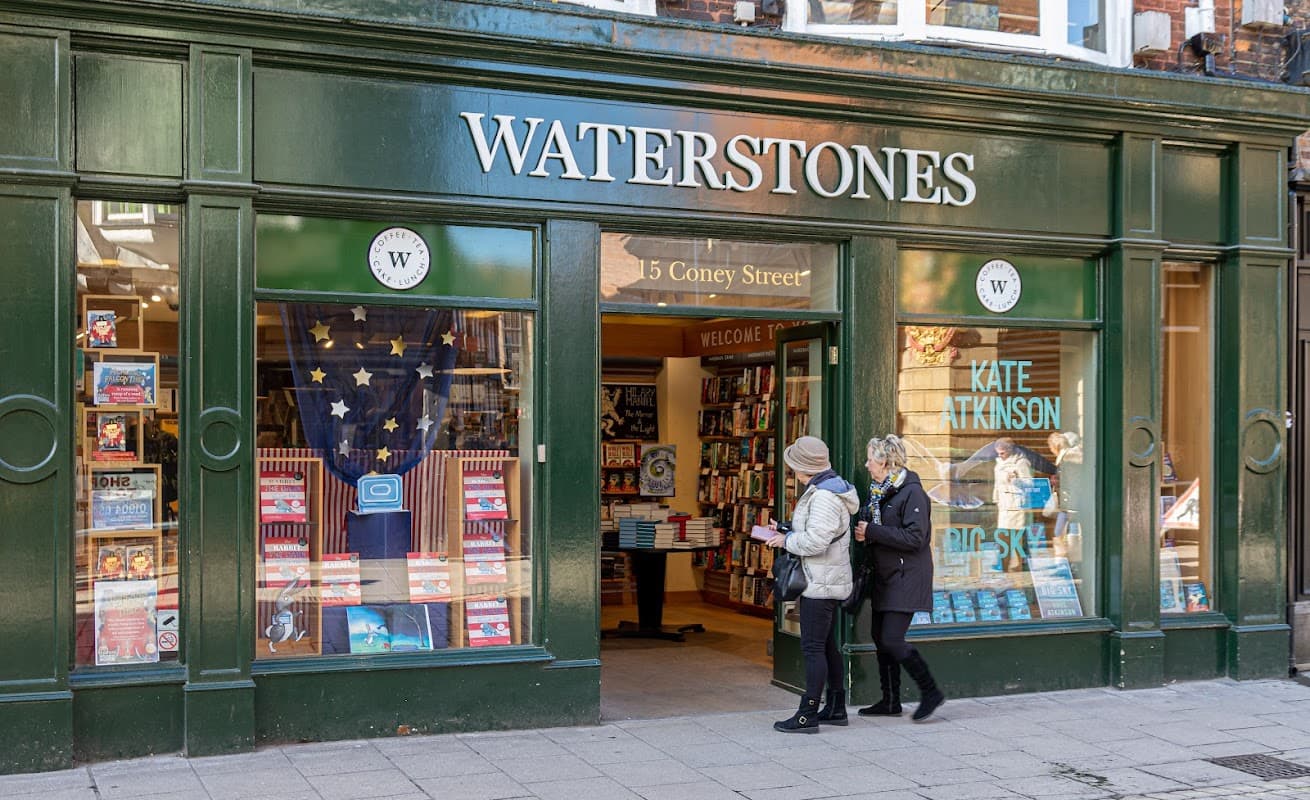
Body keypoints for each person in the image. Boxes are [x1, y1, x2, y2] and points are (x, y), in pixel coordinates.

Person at [765, 435, 859, 733]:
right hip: (823, 579)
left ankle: (807, 715)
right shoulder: (826, 491)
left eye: (793, 465)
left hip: (821, 582)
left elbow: (817, 541)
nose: (792, 470)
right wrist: (786, 529)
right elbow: (820, 531)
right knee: (825, 645)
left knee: (812, 648)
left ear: (802, 467)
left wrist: (786, 540)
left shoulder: (824, 497)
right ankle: (835, 707)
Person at [854, 434, 945, 722]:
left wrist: (872, 531)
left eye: (870, 459)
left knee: (892, 639)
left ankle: (931, 691)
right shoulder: (881, 491)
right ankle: (890, 700)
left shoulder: (912, 493)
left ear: (884, 461)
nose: (867, 464)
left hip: (906, 576)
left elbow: (916, 538)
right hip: (885, 574)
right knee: (880, 637)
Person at [992, 437, 1032, 532]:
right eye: (998, 453)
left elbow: (1029, 483)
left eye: (1002, 453)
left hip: (1015, 504)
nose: (1000, 455)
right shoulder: (999, 463)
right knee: (1004, 534)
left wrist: (1014, 480)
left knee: (1016, 533)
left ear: (1010, 450)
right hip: (1003, 503)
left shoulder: (1020, 462)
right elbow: (997, 483)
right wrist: (996, 498)